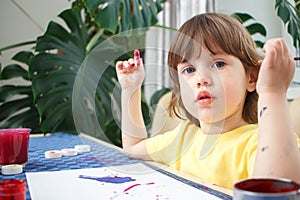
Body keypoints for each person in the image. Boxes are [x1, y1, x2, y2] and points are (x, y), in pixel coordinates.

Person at [115, 13, 300, 189]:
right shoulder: (182, 138)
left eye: (218, 64)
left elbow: (277, 192)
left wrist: (272, 92)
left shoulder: (262, 142)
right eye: (188, 70)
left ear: (251, 78)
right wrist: (131, 89)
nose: (201, 78)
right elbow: (133, 148)